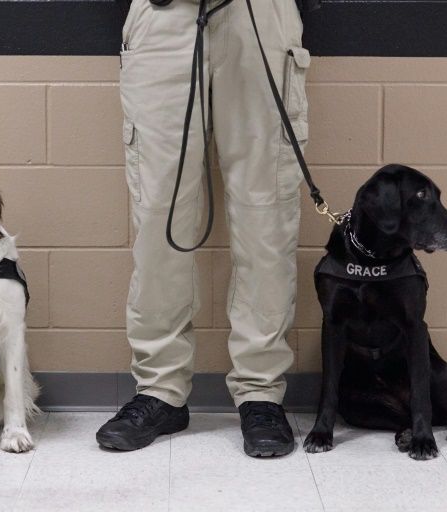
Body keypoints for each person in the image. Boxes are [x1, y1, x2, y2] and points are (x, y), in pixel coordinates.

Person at [96, 0, 317, 457]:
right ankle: (160, 389)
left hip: (260, 16)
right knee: (159, 217)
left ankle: (260, 392)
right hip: (162, 21)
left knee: (266, 219)